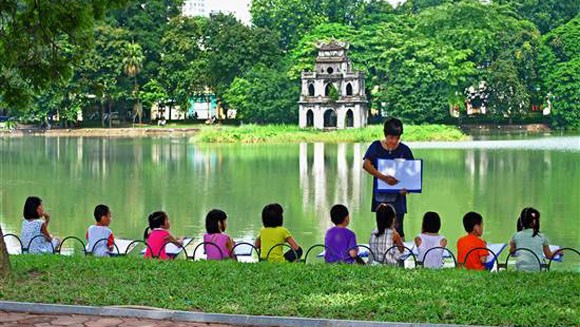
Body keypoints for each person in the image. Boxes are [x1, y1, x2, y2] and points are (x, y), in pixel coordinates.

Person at [363, 118, 414, 240]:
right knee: (382, 226)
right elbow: (366, 165)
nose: (394, 141)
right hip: (381, 195)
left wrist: (407, 188)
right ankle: (381, 254)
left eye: (397, 138)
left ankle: (400, 255)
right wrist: (384, 178)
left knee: (398, 226)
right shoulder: (375, 147)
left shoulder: (404, 150)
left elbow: (412, 173)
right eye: (391, 138)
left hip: (398, 197)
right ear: (385, 135)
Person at [509, 207, 560, 271]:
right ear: (535, 221)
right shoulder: (541, 237)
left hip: (521, 269)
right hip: (538, 269)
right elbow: (549, 256)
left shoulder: (516, 236)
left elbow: (512, 253)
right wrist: (558, 251)